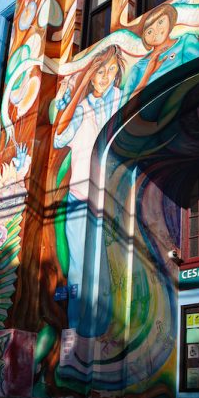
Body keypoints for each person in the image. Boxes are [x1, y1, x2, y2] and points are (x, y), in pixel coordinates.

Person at [53, 45, 126, 334]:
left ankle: (100, 331)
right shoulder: (80, 109)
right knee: (78, 268)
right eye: (100, 70)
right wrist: (74, 95)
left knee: (105, 266)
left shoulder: (120, 99)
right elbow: (59, 140)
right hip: (79, 199)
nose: (106, 76)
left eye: (111, 70)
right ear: (91, 75)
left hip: (108, 197)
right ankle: (75, 330)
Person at [124, 4, 199, 100]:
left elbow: (196, 76)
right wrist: (147, 74)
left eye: (160, 22)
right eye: (149, 31)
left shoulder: (186, 41)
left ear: (170, 19)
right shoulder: (138, 67)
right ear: (144, 38)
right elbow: (126, 108)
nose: (156, 31)